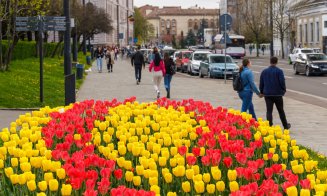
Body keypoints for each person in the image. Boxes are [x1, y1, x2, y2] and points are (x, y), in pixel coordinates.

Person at [259, 57, 291, 130]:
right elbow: (282, 82)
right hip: (278, 94)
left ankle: (269, 125)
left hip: (267, 94)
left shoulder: (264, 71)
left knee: (269, 111)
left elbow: (261, 83)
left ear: (270, 62)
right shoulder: (279, 71)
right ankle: (285, 125)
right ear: (276, 62)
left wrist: (261, 92)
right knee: (281, 110)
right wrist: (283, 90)